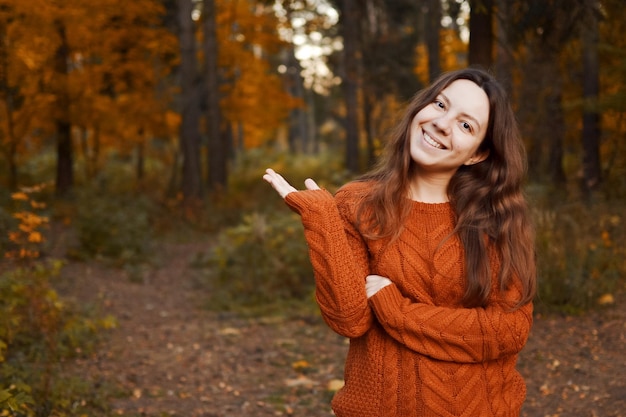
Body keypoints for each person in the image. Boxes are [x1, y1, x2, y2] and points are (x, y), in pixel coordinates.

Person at [262, 67, 536, 417]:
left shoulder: (496, 221)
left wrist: (395, 310)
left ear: (477, 154)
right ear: (420, 108)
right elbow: (349, 320)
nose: (442, 123)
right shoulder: (357, 204)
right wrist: (321, 218)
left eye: (466, 125)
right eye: (440, 105)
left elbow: (509, 331)